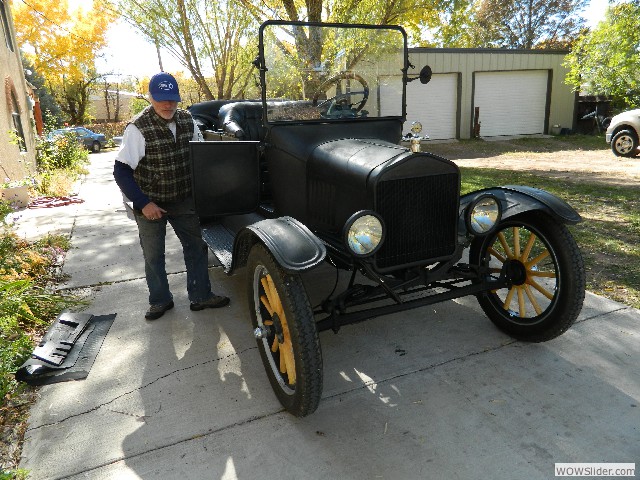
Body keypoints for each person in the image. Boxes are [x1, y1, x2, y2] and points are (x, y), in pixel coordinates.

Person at [113, 72, 229, 320]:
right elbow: (121, 171)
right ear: (151, 98)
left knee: (196, 248)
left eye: (172, 99)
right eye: (161, 99)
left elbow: (200, 157)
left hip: (182, 197)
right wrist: (143, 203)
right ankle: (160, 300)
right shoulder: (137, 128)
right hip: (149, 201)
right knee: (154, 255)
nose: (167, 105)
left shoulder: (188, 120)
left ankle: (201, 296)